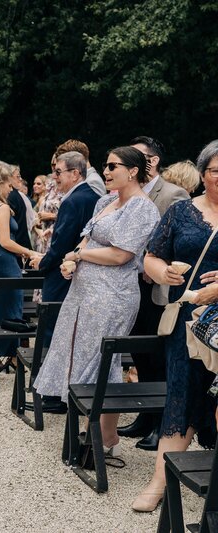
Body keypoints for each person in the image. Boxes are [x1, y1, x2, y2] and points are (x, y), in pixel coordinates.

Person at [33, 146, 160, 462]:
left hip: (113, 296)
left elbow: (121, 254)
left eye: (112, 166)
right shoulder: (106, 201)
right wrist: (71, 260)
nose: (105, 170)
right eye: (105, 165)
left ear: (132, 170)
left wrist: (80, 256)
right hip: (83, 292)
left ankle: (105, 436)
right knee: (79, 353)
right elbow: (86, 238)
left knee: (103, 359)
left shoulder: (143, 209)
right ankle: (94, 430)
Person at [131, 139, 218, 512]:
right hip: (188, 318)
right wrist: (162, 272)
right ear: (203, 174)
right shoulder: (182, 212)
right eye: (217, 171)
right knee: (181, 393)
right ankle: (160, 481)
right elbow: (151, 256)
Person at [119, 136, 189, 451]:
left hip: (158, 288)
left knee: (159, 354)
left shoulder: (174, 194)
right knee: (139, 352)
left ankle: (163, 424)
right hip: (127, 285)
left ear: (153, 161)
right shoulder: (122, 195)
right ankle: (145, 416)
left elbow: (181, 242)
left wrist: (155, 266)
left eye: (139, 156)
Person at [29, 152, 100, 412]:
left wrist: (44, 264)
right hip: (77, 272)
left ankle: (54, 395)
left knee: (54, 330)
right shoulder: (91, 196)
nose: (54, 177)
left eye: (58, 172)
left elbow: (62, 243)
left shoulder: (75, 200)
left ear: (75, 173)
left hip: (62, 273)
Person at [0, 163, 40, 363]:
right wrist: (28, 251)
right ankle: (10, 355)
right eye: (8, 184)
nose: (11, 188)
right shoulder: (3, 208)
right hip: (5, 262)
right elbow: (6, 241)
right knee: (13, 306)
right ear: (0, 183)